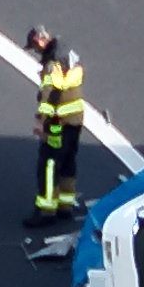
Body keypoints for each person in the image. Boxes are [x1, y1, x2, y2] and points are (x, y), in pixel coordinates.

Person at [25, 26, 88, 229]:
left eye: (35, 47)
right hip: (75, 120)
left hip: (57, 122)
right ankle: (65, 206)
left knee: (48, 164)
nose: (35, 51)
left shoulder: (52, 64)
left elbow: (50, 94)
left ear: (39, 40)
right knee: (68, 162)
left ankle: (46, 211)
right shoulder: (68, 56)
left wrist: (41, 121)